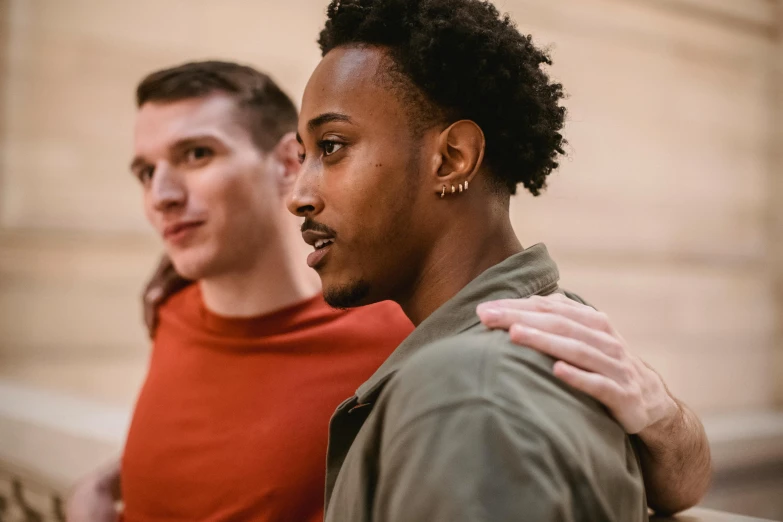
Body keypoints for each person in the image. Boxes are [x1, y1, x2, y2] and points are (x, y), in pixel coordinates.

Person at [66, 55, 707, 522]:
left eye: (197, 155)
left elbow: (672, 480)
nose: (161, 196)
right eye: (145, 172)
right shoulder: (172, 304)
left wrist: (665, 416)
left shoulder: (425, 347)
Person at [288, 0, 709, 520]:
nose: (299, 195)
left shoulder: (470, 396)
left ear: (451, 159)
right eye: (300, 154)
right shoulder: (549, 329)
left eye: (331, 146)